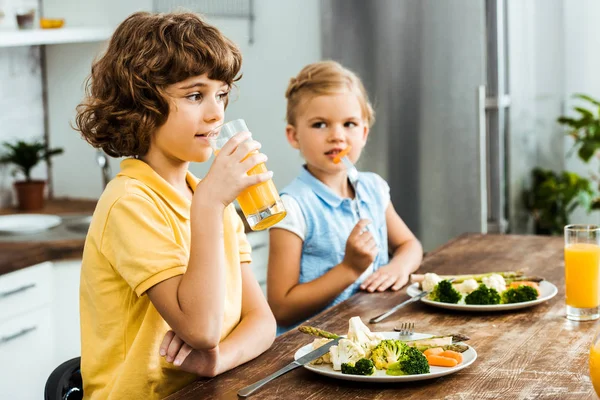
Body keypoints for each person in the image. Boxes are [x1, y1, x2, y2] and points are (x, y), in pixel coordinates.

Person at [75, 11, 276, 399]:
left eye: (221, 94)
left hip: (208, 387)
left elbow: (263, 322)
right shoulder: (130, 202)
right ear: (141, 105)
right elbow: (201, 330)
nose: (216, 112)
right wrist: (209, 205)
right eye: (195, 95)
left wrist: (218, 360)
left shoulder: (204, 194)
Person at [268, 61, 423, 334]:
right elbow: (281, 308)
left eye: (349, 124)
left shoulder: (373, 189)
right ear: (293, 136)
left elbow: (409, 245)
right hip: (313, 348)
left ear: (363, 133)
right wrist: (350, 269)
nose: (337, 136)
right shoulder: (291, 207)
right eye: (320, 124)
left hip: (374, 329)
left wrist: (398, 268)